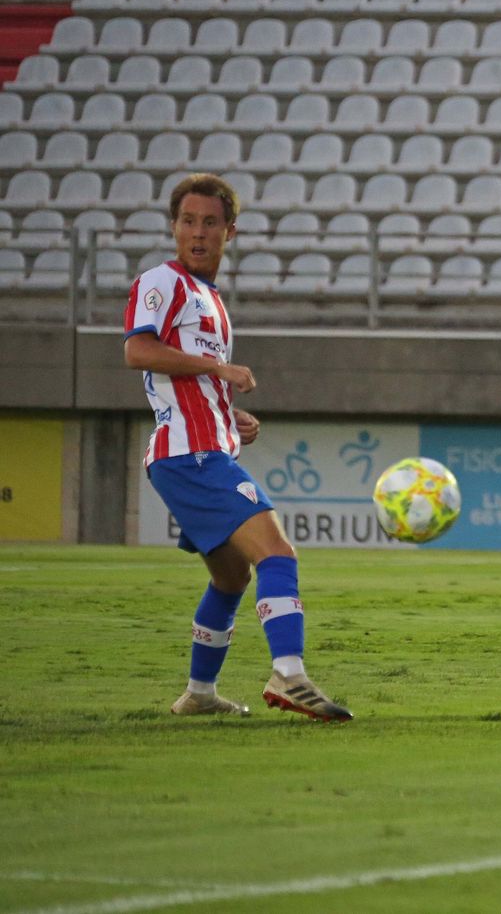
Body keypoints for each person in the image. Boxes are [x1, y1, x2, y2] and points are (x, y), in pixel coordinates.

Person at [124, 173, 351, 722]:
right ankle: (289, 674)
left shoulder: (211, 300)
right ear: (174, 227)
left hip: (200, 449)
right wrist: (218, 368)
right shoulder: (163, 281)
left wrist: (230, 416)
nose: (198, 233)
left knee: (231, 577)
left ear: (231, 231)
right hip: (191, 454)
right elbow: (138, 351)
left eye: (210, 222)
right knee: (277, 553)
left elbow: (187, 383)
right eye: (188, 221)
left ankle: (199, 694)